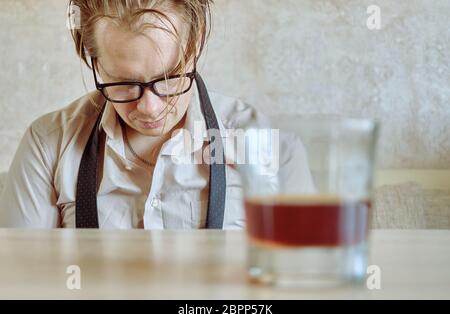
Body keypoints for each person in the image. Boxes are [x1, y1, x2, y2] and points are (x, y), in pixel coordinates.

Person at [0, 0, 314, 229]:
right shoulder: (48, 146)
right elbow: (20, 279)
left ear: (194, 51)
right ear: (94, 64)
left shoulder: (270, 147)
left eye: (169, 79)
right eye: (123, 83)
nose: (150, 108)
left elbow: (304, 279)